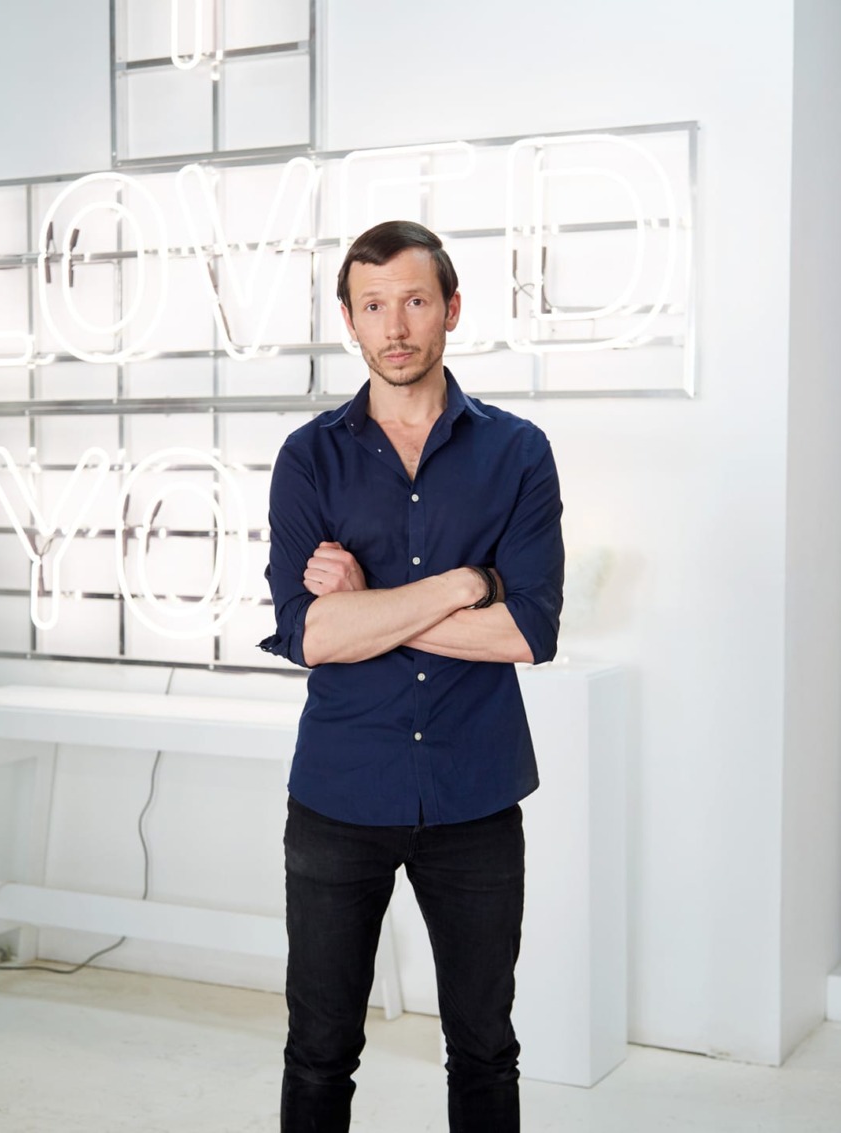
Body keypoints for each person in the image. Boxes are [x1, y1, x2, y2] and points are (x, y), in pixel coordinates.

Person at [260, 219, 564, 1132]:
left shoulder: (519, 452)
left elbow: (527, 631)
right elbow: (311, 632)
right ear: (350, 321)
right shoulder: (308, 457)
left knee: (485, 1046)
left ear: (452, 309)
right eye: (373, 305)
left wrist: (373, 608)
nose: (395, 327)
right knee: (319, 1050)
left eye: (415, 301)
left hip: (475, 792)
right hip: (341, 791)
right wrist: (467, 584)